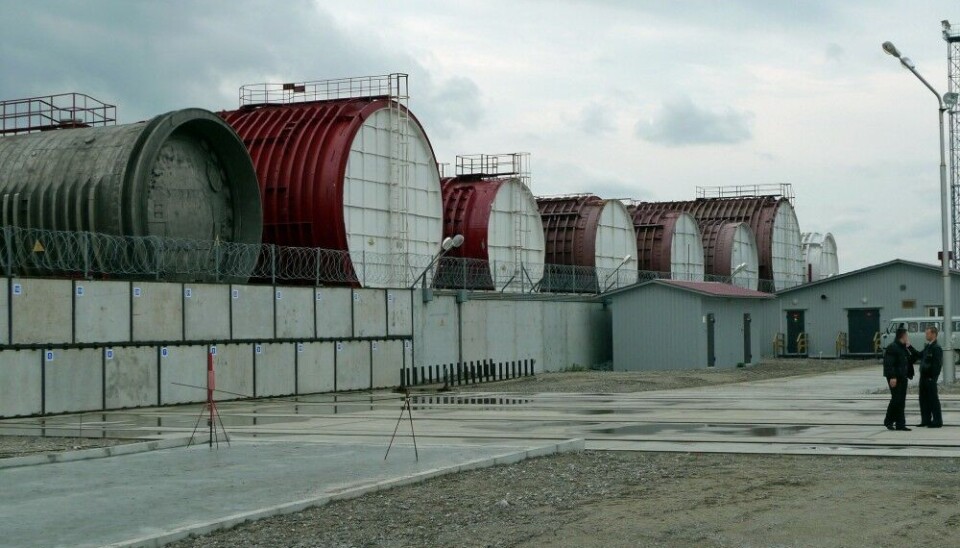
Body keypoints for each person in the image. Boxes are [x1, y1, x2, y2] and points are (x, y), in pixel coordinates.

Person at [883, 328, 919, 431]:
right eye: (906, 335)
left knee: (901, 401)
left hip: (903, 377)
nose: (907, 337)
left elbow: (914, 358)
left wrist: (910, 347)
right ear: (902, 336)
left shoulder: (903, 348)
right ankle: (888, 421)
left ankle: (900, 424)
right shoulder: (892, 347)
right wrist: (892, 377)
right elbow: (889, 364)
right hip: (895, 378)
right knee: (896, 400)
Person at [916, 326, 944, 428]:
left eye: (927, 333)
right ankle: (925, 420)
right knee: (923, 400)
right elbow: (919, 355)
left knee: (933, 400)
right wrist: (909, 346)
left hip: (930, 378)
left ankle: (937, 421)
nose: (926, 335)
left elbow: (937, 365)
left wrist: (933, 378)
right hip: (923, 377)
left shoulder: (936, 348)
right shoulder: (928, 346)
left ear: (933, 334)